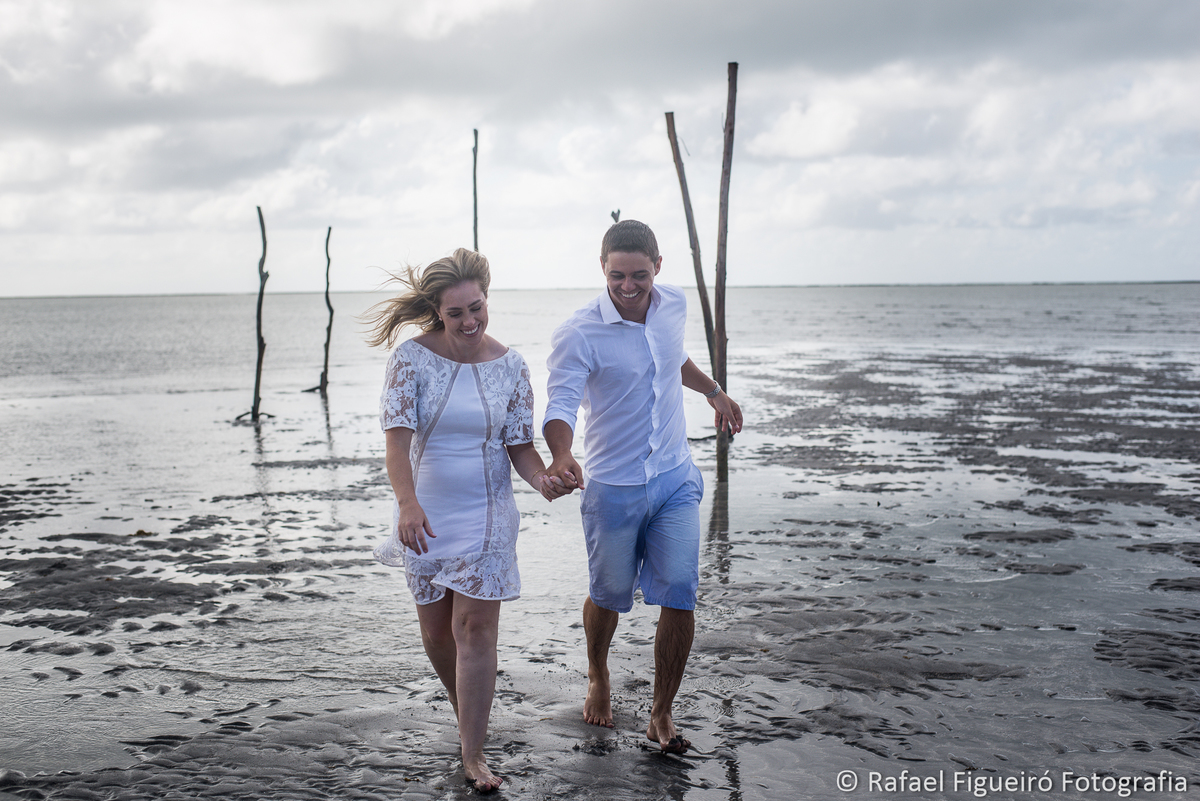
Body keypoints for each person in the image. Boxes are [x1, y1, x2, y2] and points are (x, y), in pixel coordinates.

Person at [540, 220, 743, 754]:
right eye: (616, 276)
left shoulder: (672, 304)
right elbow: (560, 405)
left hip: (675, 478)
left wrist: (714, 391)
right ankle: (598, 674)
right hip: (614, 486)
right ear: (602, 268)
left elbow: (671, 358)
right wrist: (562, 454)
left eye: (639, 275)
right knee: (608, 595)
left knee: (680, 593)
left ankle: (661, 712)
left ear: (658, 265)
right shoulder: (579, 332)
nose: (628, 286)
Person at [366, 248, 560, 793]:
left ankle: (473, 755)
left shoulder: (511, 365)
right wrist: (406, 503)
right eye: (457, 314)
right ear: (437, 312)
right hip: (424, 515)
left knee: (474, 628)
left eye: (478, 307)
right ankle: (467, 717)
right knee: (437, 635)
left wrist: (542, 479)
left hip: (489, 513)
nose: (471, 322)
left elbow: (519, 445)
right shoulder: (410, 360)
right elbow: (396, 446)